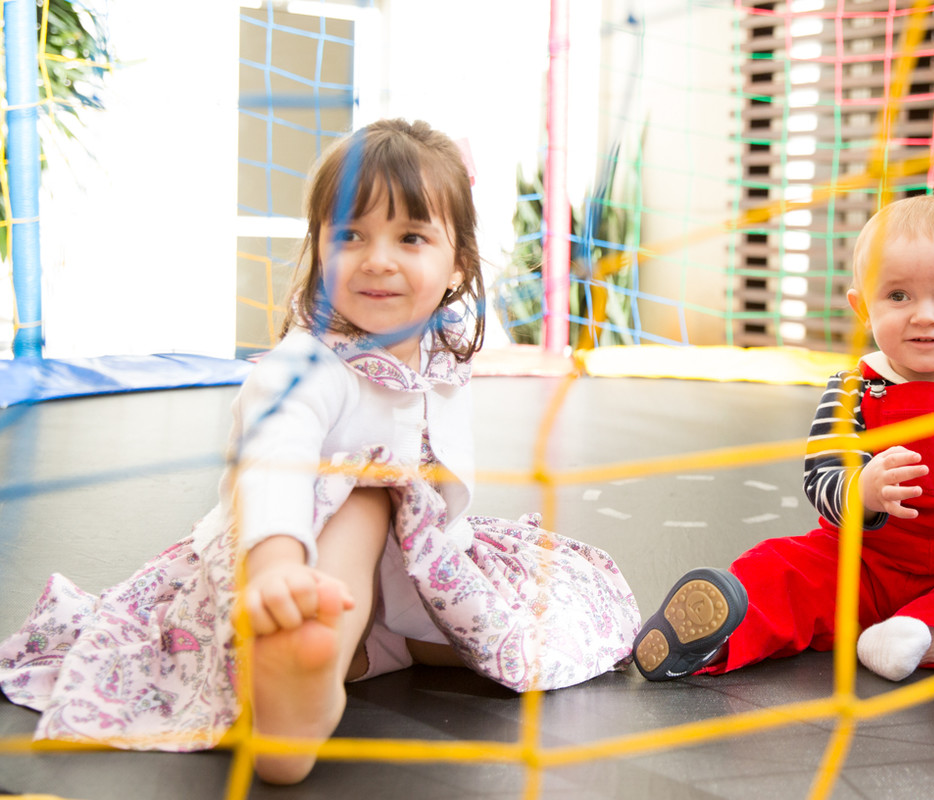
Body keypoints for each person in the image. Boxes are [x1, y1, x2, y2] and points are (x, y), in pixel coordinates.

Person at [0, 118, 641, 784]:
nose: (378, 258)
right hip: (284, 572)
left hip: (401, 581)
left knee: (509, 630)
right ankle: (288, 711)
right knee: (369, 492)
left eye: (410, 237)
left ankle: (335, 660)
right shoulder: (303, 367)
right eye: (351, 235)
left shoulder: (438, 355)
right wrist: (279, 566)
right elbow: (270, 465)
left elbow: (437, 508)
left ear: (458, 267)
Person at [632, 193, 934, 684]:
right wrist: (861, 490)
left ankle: (921, 637)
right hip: (860, 562)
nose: (924, 315)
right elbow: (822, 476)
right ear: (864, 308)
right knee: (778, 567)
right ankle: (713, 641)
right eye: (898, 296)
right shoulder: (854, 390)